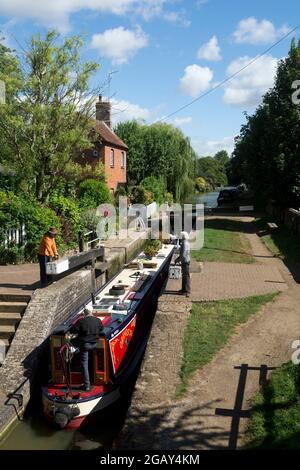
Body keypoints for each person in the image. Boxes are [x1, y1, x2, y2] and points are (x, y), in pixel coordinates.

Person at [68, 306, 103, 391]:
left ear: (84, 313)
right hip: (95, 344)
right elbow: (101, 329)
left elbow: (72, 330)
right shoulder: (98, 320)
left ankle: (87, 385)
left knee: (84, 363)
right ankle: (76, 350)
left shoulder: (81, 321)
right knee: (85, 350)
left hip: (85, 345)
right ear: (92, 312)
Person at [175, 231, 191, 297]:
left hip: (185, 261)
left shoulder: (184, 243)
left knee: (186, 276)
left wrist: (178, 260)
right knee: (184, 275)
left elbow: (183, 254)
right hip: (186, 260)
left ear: (183, 237)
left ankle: (186, 290)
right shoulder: (186, 242)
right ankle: (183, 289)